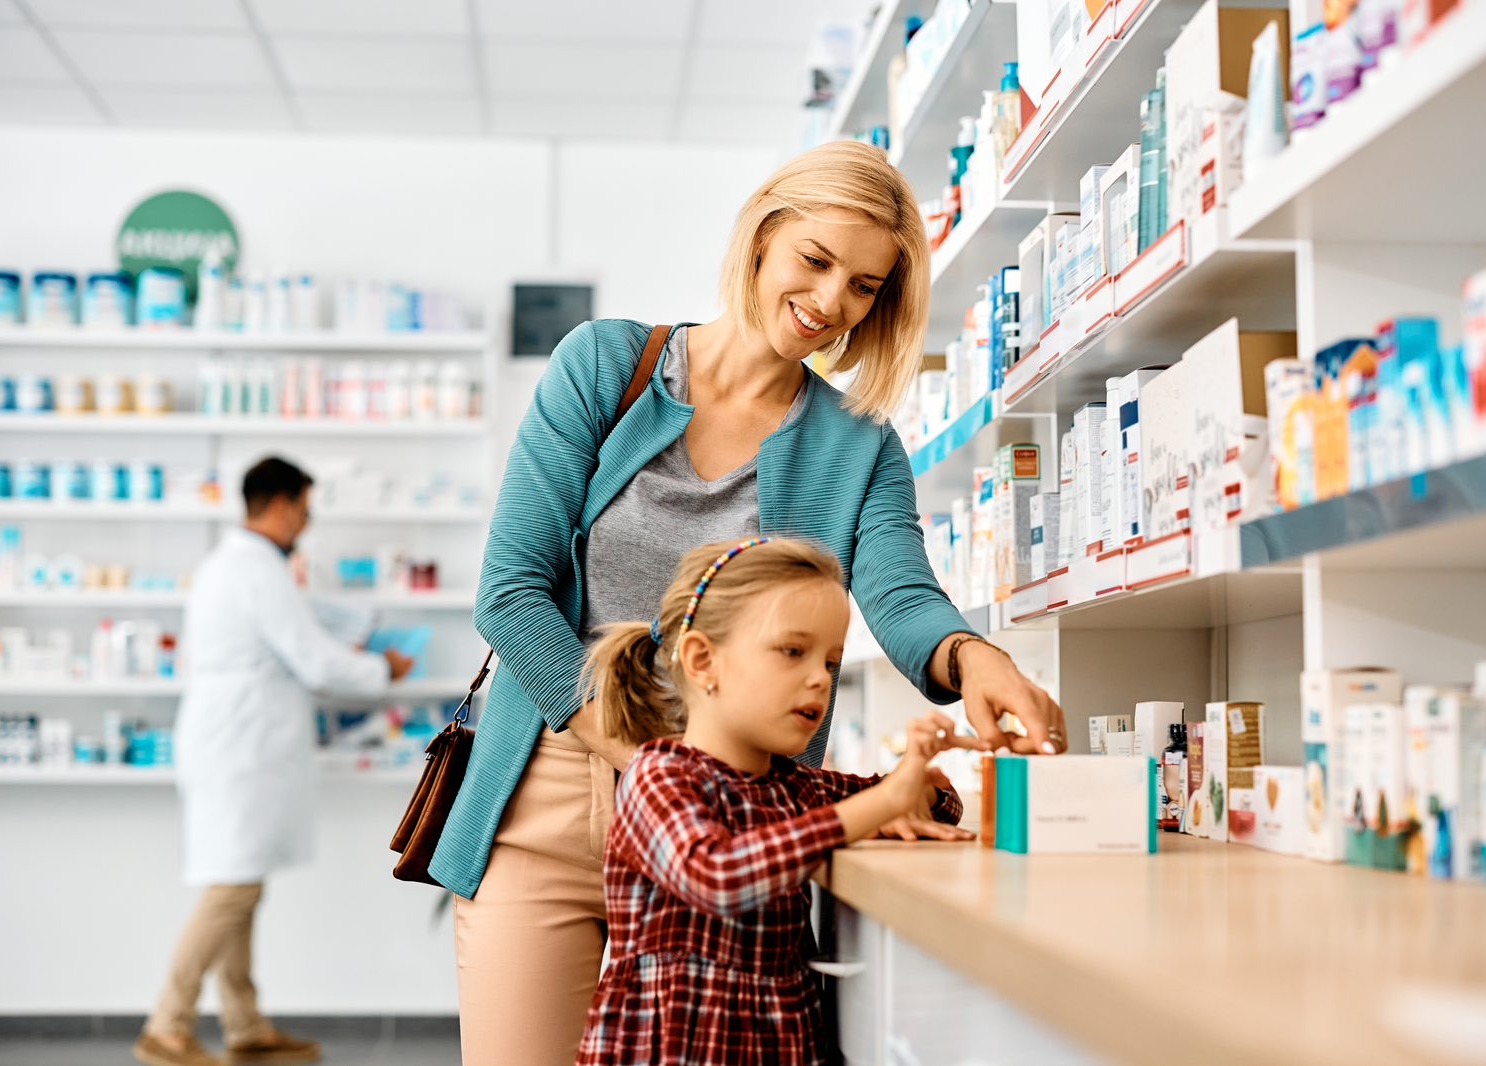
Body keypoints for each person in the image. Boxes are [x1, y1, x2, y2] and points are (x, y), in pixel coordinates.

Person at [433, 139, 1070, 1066]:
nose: (828, 303)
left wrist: (978, 659)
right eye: (815, 261)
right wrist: (648, 759)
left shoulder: (857, 445)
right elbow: (510, 590)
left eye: (862, 287)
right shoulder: (607, 367)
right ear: (764, 235)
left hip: (736, 815)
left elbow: (896, 591)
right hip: (555, 788)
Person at [576, 537, 975, 1066]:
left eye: (831, 663)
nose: (818, 679)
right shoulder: (659, 777)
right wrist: (882, 804)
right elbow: (719, 877)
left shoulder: (795, 786)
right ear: (702, 660)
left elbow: (931, 807)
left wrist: (926, 779)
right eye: (793, 651)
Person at [133, 457, 414, 1066]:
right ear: (283, 503)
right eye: (307, 509)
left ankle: (245, 1023)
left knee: (242, 880)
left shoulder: (241, 565)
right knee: (232, 886)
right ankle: (166, 1024)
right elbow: (314, 662)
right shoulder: (256, 571)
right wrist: (380, 670)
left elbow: (297, 646)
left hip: (236, 741)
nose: (307, 522)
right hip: (239, 745)